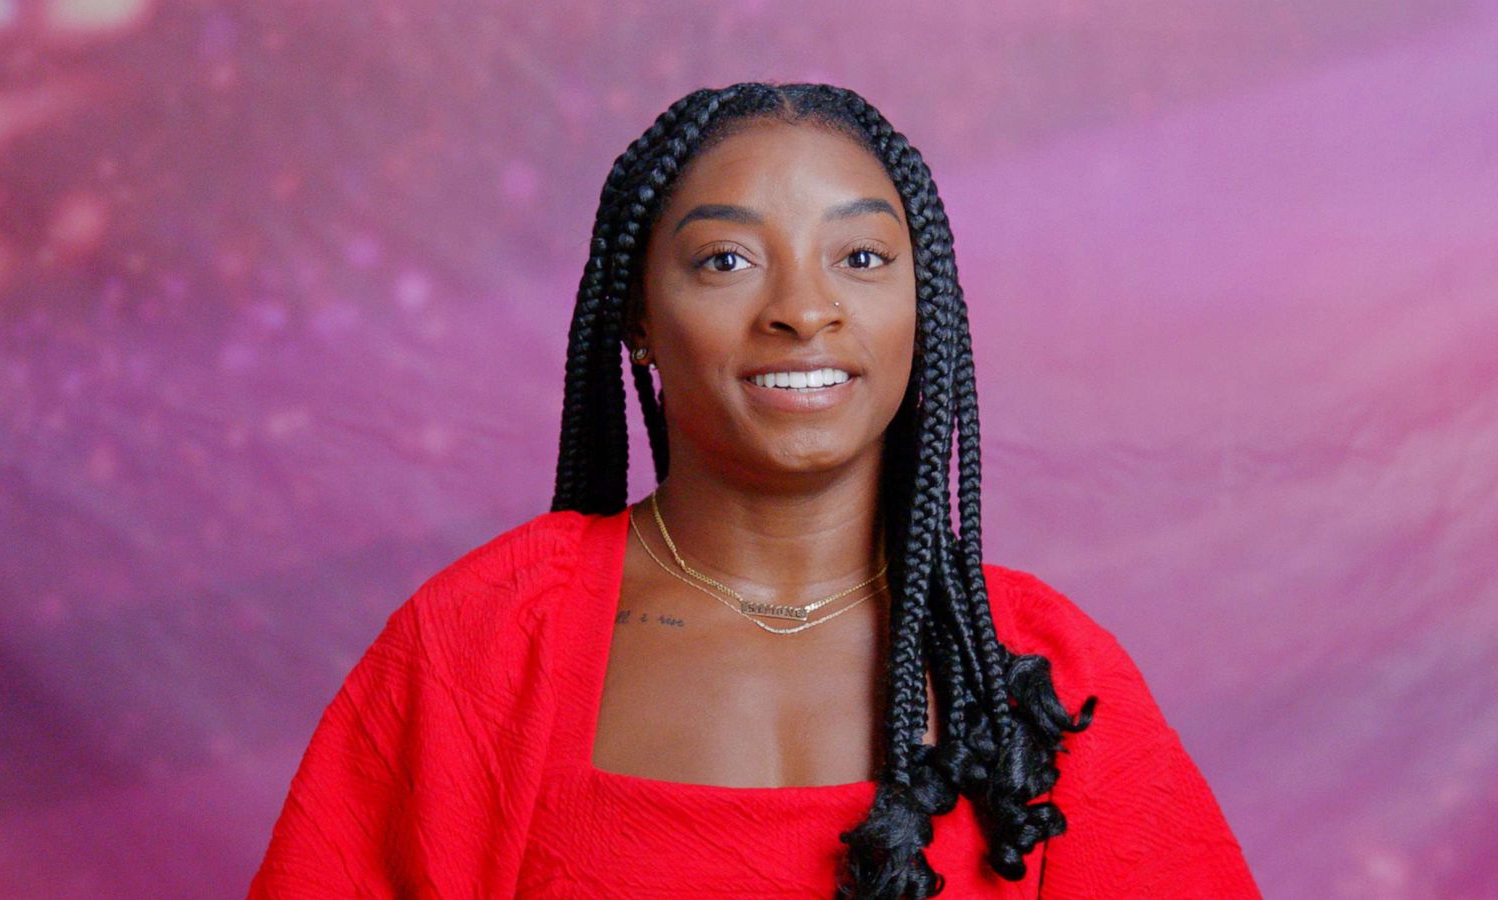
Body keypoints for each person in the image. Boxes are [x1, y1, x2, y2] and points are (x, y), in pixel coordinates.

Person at [248, 82, 1259, 899]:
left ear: (926, 308)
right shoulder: (483, 642)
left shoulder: (1034, 668)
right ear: (639, 319)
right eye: (725, 259)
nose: (803, 310)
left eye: (860, 257)